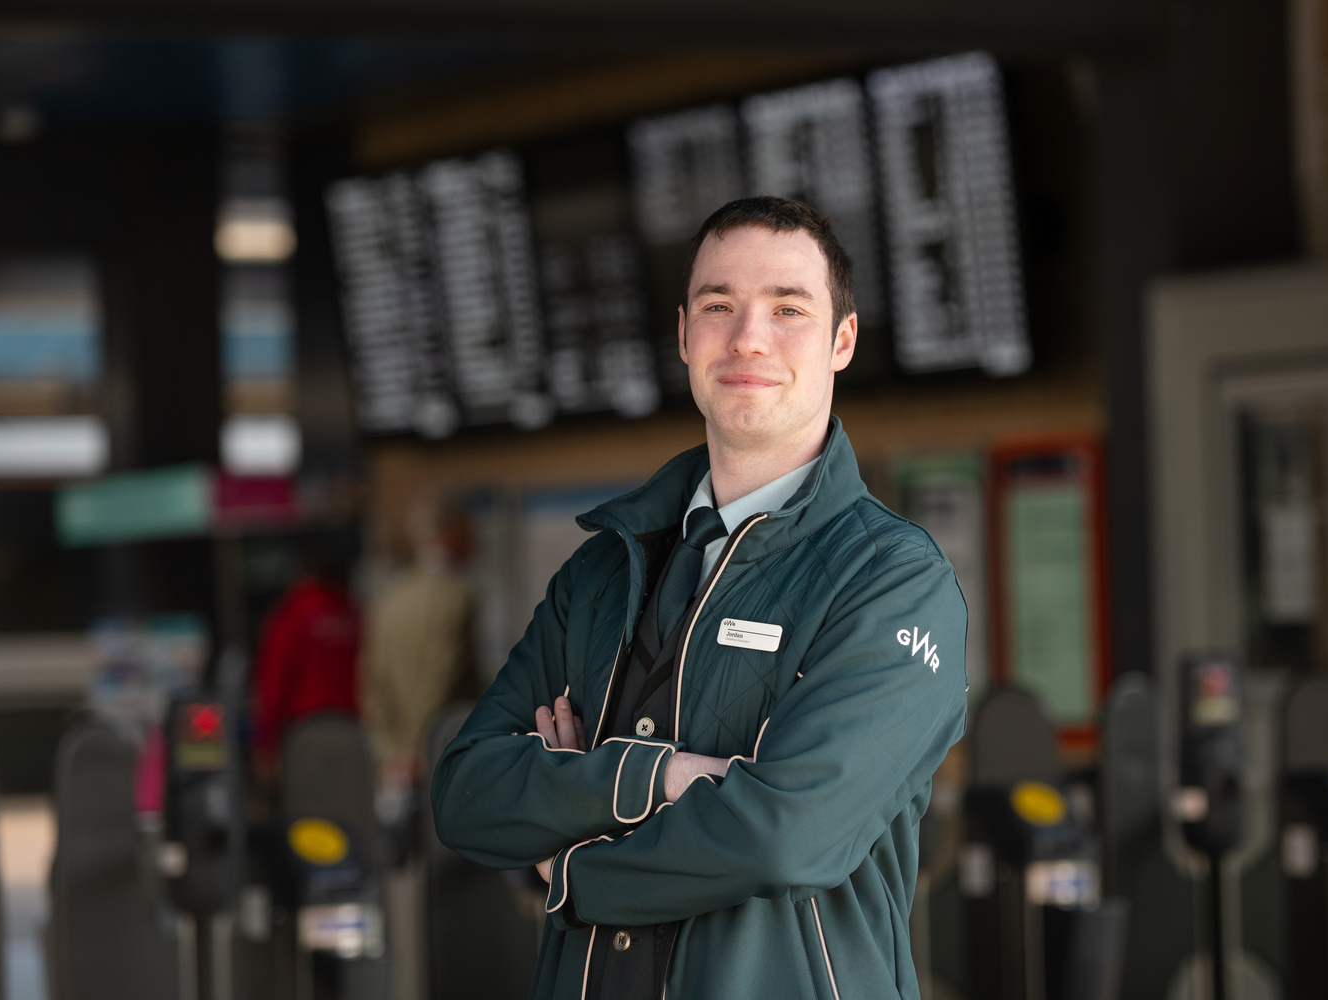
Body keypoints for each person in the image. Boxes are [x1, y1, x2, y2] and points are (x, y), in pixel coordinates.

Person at [433, 197, 969, 1000]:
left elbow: (783, 837)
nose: (749, 337)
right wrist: (665, 778)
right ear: (685, 334)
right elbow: (466, 794)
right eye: (720, 306)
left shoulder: (892, 582)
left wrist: (572, 867)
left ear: (842, 342)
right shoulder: (602, 571)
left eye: (788, 308)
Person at [364, 497, 481, 795]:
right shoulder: (455, 595)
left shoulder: (388, 598)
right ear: (451, 531)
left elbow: (373, 682)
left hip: (396, 763)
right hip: (446, 750)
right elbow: (441, 677)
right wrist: (420, 748)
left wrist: (391, 751)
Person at [251, 539, 360, 786]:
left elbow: (272, 685)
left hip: (303, 737)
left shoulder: (290, 615)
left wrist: (267, 746)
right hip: (353, 733)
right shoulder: (355, 613)